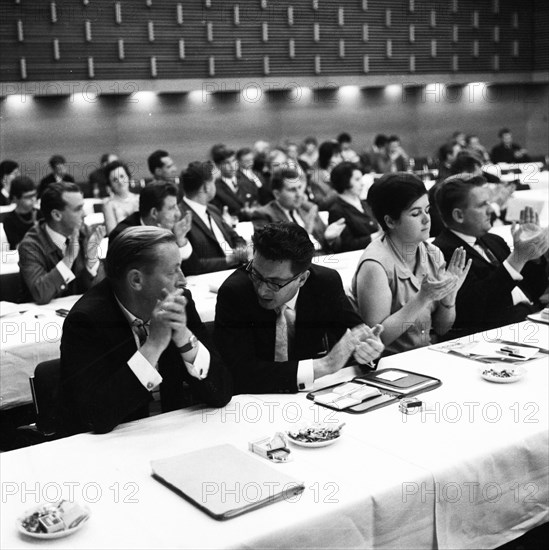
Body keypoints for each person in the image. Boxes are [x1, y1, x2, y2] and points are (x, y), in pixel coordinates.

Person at [60, 226, 232, 435]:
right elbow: (97, 417)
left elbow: (221, 393)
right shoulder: (86, 321)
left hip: (175, 431)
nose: (183, 280)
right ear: (136, 280)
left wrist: (184, 337)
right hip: (117, 442)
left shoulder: (179, 300)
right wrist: (153, 346)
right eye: (172, 271)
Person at [215, 222, 384, 394]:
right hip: (250, 401)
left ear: (302, 279)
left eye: (275, 282)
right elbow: (239, 373)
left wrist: (369, 352)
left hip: (310, 397)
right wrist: (324, 365)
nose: (261, 289)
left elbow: (357, 335)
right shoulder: (234, 293)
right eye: (256, 275)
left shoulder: (325, 283)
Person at [351, 173, 471, 355]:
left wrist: (449, 299)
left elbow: (441, 329)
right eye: (415, 213)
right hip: (389, 365)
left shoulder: (432, 253)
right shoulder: (375, 265)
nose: (426, 219)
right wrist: (422, 299)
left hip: (425, 355)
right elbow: (376, 339)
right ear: (390, 221)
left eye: (428, 210)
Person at [434, 175, 548, 336]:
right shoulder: (443, 253)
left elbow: (533, 291)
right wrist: (517, 258)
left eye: (489, 202)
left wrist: (533, 255)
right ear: (459, 215)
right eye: (482, 205)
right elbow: (476, 309)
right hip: (498, 336)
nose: (491, 209)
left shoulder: (493, 240)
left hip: (531, 321)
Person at [18, 182, 105, 304]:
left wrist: (91, 261)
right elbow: (41, 294)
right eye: (78, 209)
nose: (85, 214)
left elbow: (102, 290)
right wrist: (69, 259)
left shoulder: (84, 232)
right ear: (57, 215)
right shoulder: (30, 245)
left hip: (75, 313)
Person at [251, 168, 345, 253]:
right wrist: (306, 232)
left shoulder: (308, 208)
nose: (299, 194)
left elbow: (334, 247)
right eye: (292, 190)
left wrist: (330, 239)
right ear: (277, 194)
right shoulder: (264, 215)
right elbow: (272, 253)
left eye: (300, 188)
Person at [179, 161, 249, 275]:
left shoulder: (212, 209)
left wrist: (241, 249)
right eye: (214, 182)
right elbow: (191, 264)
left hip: (235, 269)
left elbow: (235, 237)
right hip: (210, 277)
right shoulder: (181, 217)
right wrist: (229, 260)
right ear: (206, 187)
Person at [328, 162, 380, 252]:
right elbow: (347, 245)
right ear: (345, 182)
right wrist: (377, 235)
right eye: (357, 179)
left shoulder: (363, 203)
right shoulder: (337, 210)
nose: (362, 183)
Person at [210, 145, 258, 221]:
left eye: (233, 161)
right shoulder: (215, 189)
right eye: (226, 163)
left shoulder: (248, 181)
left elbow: (257, 203)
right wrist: (242, 213)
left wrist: (254, 210)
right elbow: (219, 215)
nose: (232, 166)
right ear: (218, 165)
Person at [102, 161, 139, 234]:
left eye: (122, 176)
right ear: (110, 184)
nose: (120, 181)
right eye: (115, 180)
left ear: (128, 177)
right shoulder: (109, 205)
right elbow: (111, 233)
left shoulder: (139, 198)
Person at [3, 176, 38, 249]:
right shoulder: (9, 220)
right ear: (16, 198)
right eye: (28, 197)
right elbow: (18, 246)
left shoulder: (40, 213)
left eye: (34, 195)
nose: (33, 199)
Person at [309, 141, 341, 210]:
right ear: (327, 158)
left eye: (340, 156)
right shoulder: (316, 178)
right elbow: (321, 204)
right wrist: (339, 189)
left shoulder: (341, 172)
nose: (340, 159)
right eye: (336, 156)